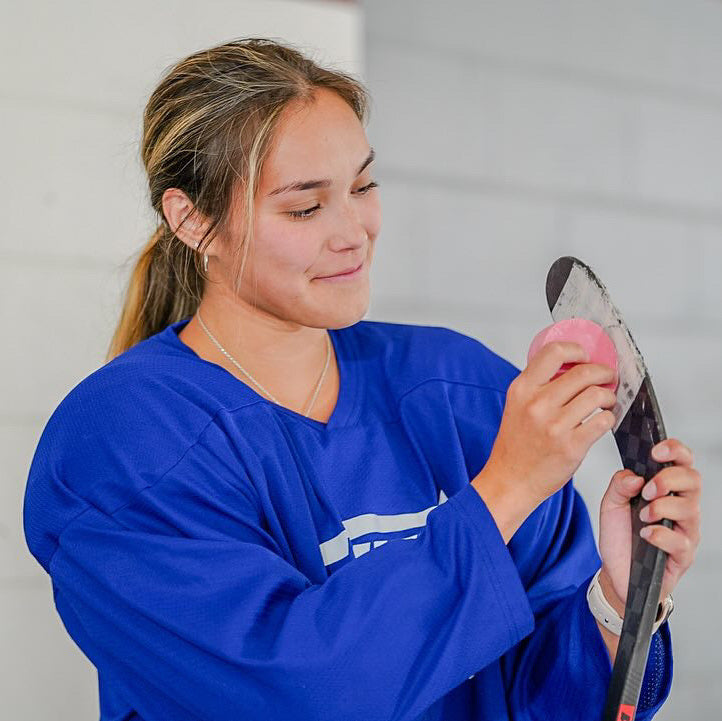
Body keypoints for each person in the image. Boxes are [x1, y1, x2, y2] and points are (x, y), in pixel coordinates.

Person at [22, 37, 701, 721]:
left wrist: (619, 599)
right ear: (194, 220)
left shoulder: (461, 392)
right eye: (304, 207)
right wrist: (507, 488)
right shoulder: (120, 444)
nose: (355, 231)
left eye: (363, 186)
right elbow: (293, 693)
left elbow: (544, 699)